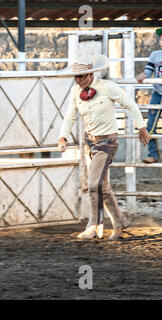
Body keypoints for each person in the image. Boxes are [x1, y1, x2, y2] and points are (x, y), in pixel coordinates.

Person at [57, 52, 151, 240]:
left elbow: (130, 105)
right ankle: (120, 222)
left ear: (91, 75)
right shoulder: (76, 92)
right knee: (102, 186)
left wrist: (142, 128)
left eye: (81, 76)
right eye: (76, 76)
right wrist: (63, 137)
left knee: (94, 184)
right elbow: (70, 116)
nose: (78, 80)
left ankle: (93, 225)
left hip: (107, 142)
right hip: (89, 142)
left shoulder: (108, 87)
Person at [136, 27, 162, 164]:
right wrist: (143, 74)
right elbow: (148, 70)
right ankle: (153, 154)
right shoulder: (155, 55)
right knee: (150, 124)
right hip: (157, 93)